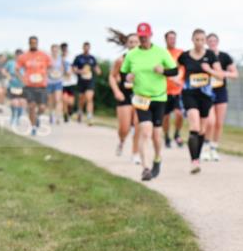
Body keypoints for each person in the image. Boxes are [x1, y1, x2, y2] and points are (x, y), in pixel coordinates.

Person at [120, 22, 179, 181]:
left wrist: (164, 71)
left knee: (156, 135)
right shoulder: (132, 55)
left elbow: (175, 70)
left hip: (159, 97)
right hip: (141, 98)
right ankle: (146, 168)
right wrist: (127, 77)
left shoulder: (161, 52)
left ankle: (157, 159)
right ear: (138, 37)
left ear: (151, 35)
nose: (144, 39)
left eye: (146, 36)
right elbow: (123, 73)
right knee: (145, 131)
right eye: (141, 37)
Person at [177, 29, 223, 174]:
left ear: (205, 41)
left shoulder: (210, 55)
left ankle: (197, 155)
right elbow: (176, 71)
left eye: (202, 40)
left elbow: (220, 75)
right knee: (194, 126)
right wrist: (174, 78)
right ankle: (194, 161)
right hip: (189, 94)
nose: (199, 42)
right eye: (197, 39)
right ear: (192, 40)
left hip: (205, 96)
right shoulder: (184, 56)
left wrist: (209, 70)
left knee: (203, 129)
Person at [202, 32, 237, 162]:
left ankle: (214, 148)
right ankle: (205, 146)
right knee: (210, 121)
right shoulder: (204, 57)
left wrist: (222, 73)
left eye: (214, 41)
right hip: (206, 91)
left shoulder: (224, 56)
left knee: (219, 123)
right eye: (209, 41)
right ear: (206, 42)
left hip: (221, 91)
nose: (212, 43)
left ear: (217, 42)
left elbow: (235, 74)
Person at [107, 29, 141, 162]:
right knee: (124, 128)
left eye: (136, 42)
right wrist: (117, 91)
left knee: (138, 125)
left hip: (140, 95)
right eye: (130, 42)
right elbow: (111, 76)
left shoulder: (145, 60)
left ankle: (135, 153)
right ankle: (121, 141)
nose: (133, 44)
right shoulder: (120, 61)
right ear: (126, 44)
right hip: (124, 95)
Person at [16, 36, 53, 135]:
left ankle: (36, 118)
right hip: (29, 85)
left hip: (41, 85)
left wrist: (46, 74)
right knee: (31, 106)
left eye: (35, 43)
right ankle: (33, 127)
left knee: (42, 107)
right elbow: (17, 70)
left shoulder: (44, 55)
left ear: (37, 43)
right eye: (32, 43)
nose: (33, 44)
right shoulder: (24, 56)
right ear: (29, 43)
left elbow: (50, 67)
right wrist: (22, 79)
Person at [162, 30, 185, 149]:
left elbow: (183, 68)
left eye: (174, 38)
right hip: (164, 91)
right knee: (165, 117)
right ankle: (166, 136)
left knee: (179, 114)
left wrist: (179, 80)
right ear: (165, 39)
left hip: (177, 91)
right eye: (170, 38)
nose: (172, 40)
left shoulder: (180, 53)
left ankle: (177, 134)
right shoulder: (161, 53)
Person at [71, 42, 101, 125]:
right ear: (83, 48)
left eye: (88, 47)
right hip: (81, 81)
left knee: (89, 98)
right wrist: (80, 71)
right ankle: (80, 112)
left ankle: (89, 116)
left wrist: (98, 71)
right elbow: (73, 69)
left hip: (90, 81)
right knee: (81, 99)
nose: (86, 49)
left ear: (89, 48)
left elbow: (96, 67)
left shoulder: (92, 58)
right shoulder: (78, 57)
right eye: (85, 47)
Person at [3, 49, 26, 127]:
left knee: (22, 103)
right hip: (12, 86)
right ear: (15, 55)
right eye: (18, 55)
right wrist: (8, 76)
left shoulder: (25, 64)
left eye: (21, 55)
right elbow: (3, 70)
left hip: (22, 86)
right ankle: (13, 116)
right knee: (15, 103)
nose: (19, 57)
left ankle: (18, 118)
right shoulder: (10, 63)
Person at [47, 44, 65, 124]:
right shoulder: (48, 59)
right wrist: (50, 72)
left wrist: (60, 73)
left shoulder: (60, 59)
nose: (55, 51)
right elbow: (45, 69)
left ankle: (58, 117)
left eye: (56, 50)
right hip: (50, 82)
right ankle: (51, 114)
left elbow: (62, 69)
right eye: (53, 50)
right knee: (51, 100)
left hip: (58, 81)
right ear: (51, 50)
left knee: (58, 99)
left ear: (58, 51)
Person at [60, 43, 77, 122]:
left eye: (65, 49)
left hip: (71, 82)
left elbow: (75, 68)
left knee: (71, 102)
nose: (64, 50)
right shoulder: (59, 58)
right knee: (64, 100)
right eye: (63, 49)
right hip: (63, 83)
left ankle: (70, 111)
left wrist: (72, 71)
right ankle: (65, 115)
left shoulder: (71, 58)